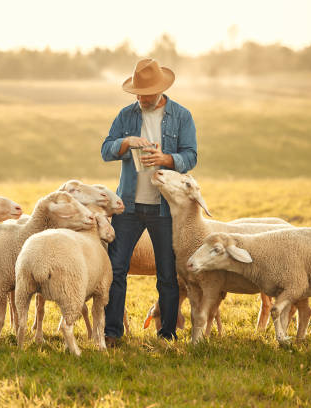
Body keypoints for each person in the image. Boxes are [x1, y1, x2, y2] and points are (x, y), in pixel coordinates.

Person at [101, 58, 197, 344]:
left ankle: (167, 334)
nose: (141, 98)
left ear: (160, 90)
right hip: (128, 205)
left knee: (167, 273)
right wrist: (126, 142)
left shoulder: (181, 116)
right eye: (137, 93)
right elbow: (106, 150)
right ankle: (112, 332)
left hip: (164, 207)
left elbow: (191, 155)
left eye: (146, 93)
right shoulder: (126, 115)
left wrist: (167, 159)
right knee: (116, 269)